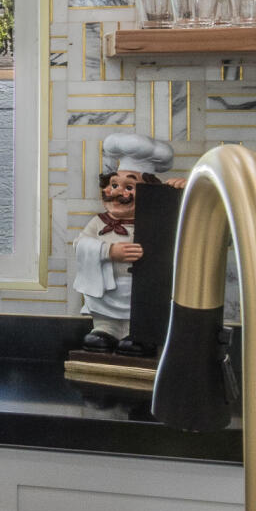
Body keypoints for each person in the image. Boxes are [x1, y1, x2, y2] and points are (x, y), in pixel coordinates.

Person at [73, 132, 173, 351]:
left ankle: (135, 334)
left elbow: (182, 231)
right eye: (114, 185)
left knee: (138, 321)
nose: (118, 193)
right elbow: (79, 245)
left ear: (150, 192)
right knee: (103, 327)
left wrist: (180, 191)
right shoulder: (98, 222)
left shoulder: (156, 223)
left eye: (129, 187)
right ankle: (105, 330)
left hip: (140, 294)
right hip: (106, 293)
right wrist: (108, 251)